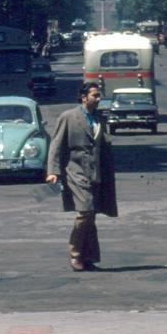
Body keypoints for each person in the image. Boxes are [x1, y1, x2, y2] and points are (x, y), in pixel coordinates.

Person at [45, 81, 117, 272]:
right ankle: (75, 254)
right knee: (85, 211)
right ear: (84, 97)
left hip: (96, 173)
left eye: (99, 95)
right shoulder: (68, 117)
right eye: (95, 95)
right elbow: (56, 145)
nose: (99, 99)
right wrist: (53, 171)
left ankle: (89, 257)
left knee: (91, 214)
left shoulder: (99, 118)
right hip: (75, 171)